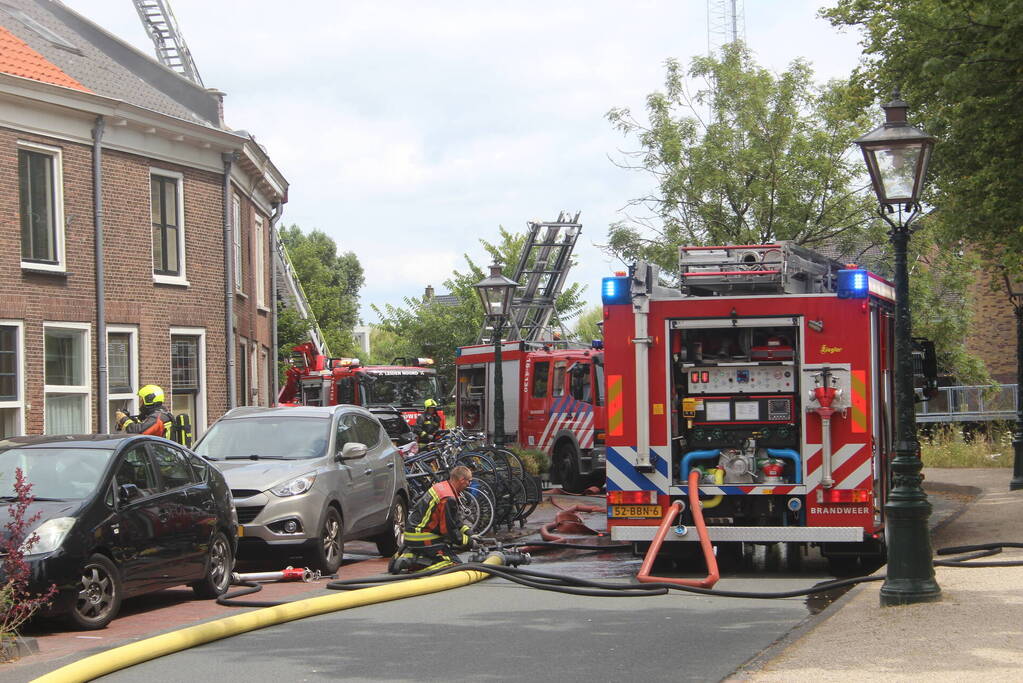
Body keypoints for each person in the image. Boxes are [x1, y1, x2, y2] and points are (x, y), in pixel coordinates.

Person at [389, 465, 477, 573]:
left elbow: (455, 520)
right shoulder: (448, 498)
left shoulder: (442, 487)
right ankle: (416, 563)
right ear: (462, 480)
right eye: (469, 481)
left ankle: (408, 554)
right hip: (423, 536)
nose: (469, 485)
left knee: (444, 548)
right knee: (454, 565)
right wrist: (469, 542)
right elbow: (449, 531)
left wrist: (469, 533)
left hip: (413, 534)